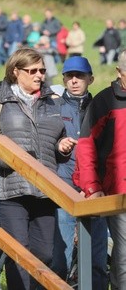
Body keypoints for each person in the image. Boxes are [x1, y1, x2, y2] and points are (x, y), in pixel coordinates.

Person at [0, 47, 74, 290]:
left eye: (42, 71)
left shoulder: (51, 102)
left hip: (46, 189)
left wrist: (62, 147)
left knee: (45, 254)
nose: (39, 75)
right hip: (9, 189)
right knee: (19, 253)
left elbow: (57, 138)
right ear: (16, 72)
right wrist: (4, 159)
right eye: (33, 70)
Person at [49, 57, 108, 288]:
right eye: (69, 76)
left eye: (80, 76)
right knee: (59, 257)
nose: (74, 81)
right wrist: (58, 145)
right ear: (63, 79)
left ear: (90, 79)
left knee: (97, 257)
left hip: (96, 190)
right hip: (63, 187)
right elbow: (43, 142)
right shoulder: (52, 107)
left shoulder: (102, 108)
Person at [74, 49, 126, 288]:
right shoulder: (104, 101)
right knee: (124, 253)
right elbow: (86, 147)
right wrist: (92, 186)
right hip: (117, 192)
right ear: (119, 72)